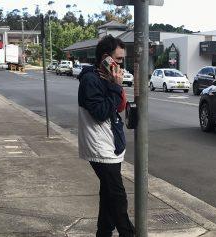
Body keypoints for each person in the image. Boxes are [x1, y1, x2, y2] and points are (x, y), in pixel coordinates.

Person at [77, 35, 134, 237]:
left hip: (111, 145)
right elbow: (101, 113)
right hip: (100, 147)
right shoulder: (90, 80)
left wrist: (115, 83)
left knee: (108, 195)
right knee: (118, 196)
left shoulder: (106, 78)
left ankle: (103, 233)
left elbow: (118, 107)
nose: (121, 64)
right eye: (118, 59)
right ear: (105, 58)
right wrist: (115, 86)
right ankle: (128, 233)